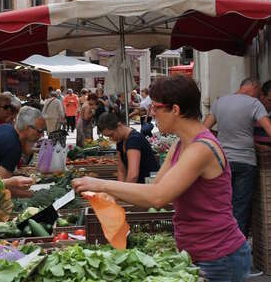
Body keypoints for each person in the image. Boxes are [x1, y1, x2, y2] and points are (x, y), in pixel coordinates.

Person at [73, 75, 251, 282]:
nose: (152, 112)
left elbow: (158, 197)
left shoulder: (202, 148)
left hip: (219, 257)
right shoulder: (181, 144)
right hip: (200, 253)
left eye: (156, 107)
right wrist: (111, 195)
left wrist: (101, 183)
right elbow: (155, 186)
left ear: (175, 109)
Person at [203, 77, 271, 236]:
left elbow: (204, 129)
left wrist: (221, 139)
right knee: (241, 206)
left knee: (223, 204)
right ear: (254, 87)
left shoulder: (220, 102)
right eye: (258, 92)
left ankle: (219, 241)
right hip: (246, 162)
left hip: (223, 162)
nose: (258, 96)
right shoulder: (254, 104)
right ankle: (236, 246)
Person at [0, 106, 45, 196]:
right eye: (40, 131)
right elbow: (2, 186)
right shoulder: (13, 145)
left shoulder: (5, 128)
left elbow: (26, 150)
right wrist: (33, 195)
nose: (42, 135)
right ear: (27, 128)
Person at [98, 112, 158, 183]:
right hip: (139, 185)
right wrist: (121, 189)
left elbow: (133, 175)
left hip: (148, 184)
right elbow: (121, 171)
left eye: (111, 135)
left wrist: (124, 192)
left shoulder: (134, 139)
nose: (112, 139)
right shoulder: (120, 141)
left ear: (119, 125)